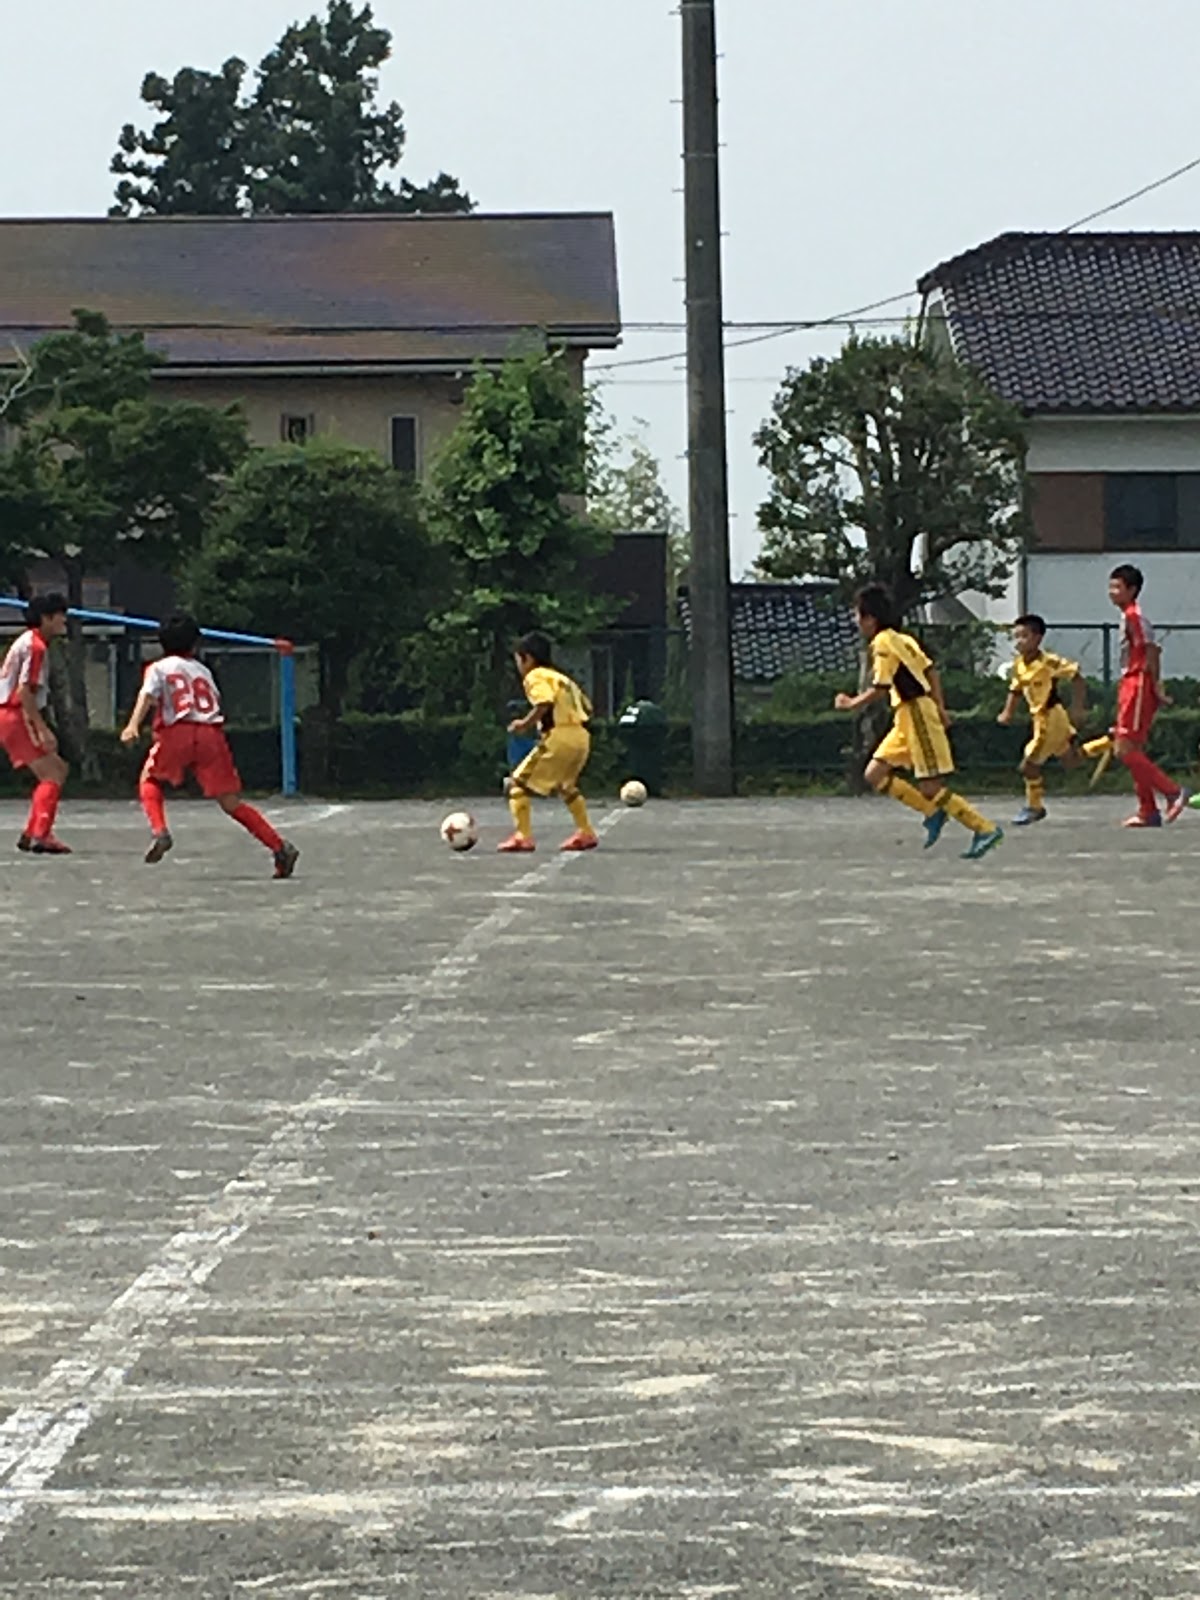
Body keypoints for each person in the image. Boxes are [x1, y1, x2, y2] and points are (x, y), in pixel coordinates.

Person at [120, 613, 299, 877]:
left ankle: (160, 831)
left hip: (177, 732)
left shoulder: (158, 667)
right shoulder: (203, 671)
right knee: (231, 802)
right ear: (195, 645)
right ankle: (279, 846)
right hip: (211, 734)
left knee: (150, 780)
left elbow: (148, 694)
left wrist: (132, 724)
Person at [834, 584, 1003, 860]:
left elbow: (881, 686)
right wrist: (940, 706)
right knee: (874, 774)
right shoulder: (904, 639)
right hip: (907, 715)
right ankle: (932, 813)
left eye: (857, 615)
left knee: (931, 786)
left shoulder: (883, 643)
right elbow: (930, 670)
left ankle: (984, 828)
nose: (856, 622)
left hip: (915, 714)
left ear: (870, 618)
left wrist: (852, 703)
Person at [1082, 564, 1189, 827]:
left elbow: (1152, 651)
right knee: (1133, 749)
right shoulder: (1127, 617)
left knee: (1124, 748)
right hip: (1130, 683)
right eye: (1111, 586)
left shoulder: (1135, 617)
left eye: (1118, 587)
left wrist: (1156, 688)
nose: (1112, 592)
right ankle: (1148, 810)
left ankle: (1173, 792)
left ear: (1132, 590)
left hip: (1138, 683)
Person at [499, 632, 598, 854]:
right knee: (566, 787)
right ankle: (586, 832)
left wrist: (524, 724)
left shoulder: (535, 676)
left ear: (528, 658)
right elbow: (588, 708)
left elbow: (544, 702)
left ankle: (523, 836)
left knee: (517, 783)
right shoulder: (562, 678)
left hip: (559, 736)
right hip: (581, 736)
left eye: (518, 659)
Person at [997, 614, 1087, 825]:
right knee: (1071, 761)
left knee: (1028, 766)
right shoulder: (1019, 664)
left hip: (1050, 718)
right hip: (1043, 718)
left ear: (1037, 638)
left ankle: (1034, 807)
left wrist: (1078, 706)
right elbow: (1016, 690)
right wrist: (1007, 712)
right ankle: (1107, 743)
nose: (1019, 641)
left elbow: (1076, 677)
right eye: (1016, 637)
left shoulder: (1049, 662)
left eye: (1024, 636)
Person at [0, 593, 72, 855]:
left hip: (10, 713)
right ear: (46, 618)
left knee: (57, 769)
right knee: (53, 773)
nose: (64, 620)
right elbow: (24, 691)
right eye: (60, 615)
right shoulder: (36, 646)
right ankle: (41, 833)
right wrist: (41, 728)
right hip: (15, 713)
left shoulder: (27, 641)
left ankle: (33, 831)